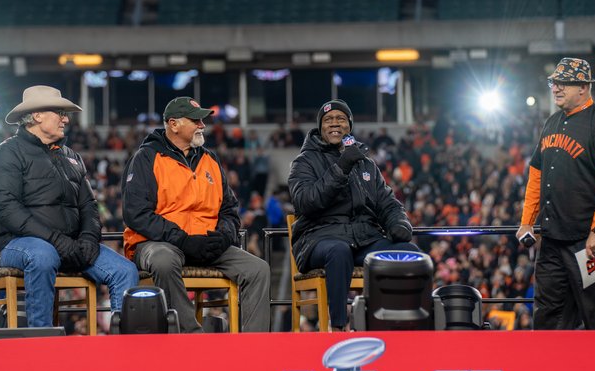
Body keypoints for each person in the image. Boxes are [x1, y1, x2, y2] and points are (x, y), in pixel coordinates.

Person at [0, 86, 138, 328]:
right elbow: (7, 209)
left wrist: (88, 238)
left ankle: (123, 350)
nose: (66, 119)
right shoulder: (6, 154)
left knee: (125, 271)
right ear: (37, 116)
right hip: (16, 243)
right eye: (59, 112)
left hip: (70, 245)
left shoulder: (72, 157)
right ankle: (41, 342)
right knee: (43, 255)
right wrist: (56, 240)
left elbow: (89, 206)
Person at [122, 97, 270, 333]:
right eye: (196, 120)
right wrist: (183, 240)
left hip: (206, 243)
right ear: (173, 124)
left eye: (202, 120)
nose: (202, 125)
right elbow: (136, 213)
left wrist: (222, 237)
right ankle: (190, 336)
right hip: (160, 243)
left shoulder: (210, 159)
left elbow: (229, 210)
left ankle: (253, 344)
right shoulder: (146, 157)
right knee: (163, 261)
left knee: (258, 269)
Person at [288, 99, 420, 331]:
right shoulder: (304, 161)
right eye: (328, 120)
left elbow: (387, 202)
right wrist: (342, 166)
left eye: (341, 119)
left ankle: (403, 323)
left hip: (362, 239)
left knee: (410, 254)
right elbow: (306, 202)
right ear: (320, 127)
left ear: (349, 125)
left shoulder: (366, 164)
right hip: (317, 239)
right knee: (339, 251)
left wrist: (399, 221)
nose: (334, 124)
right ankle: (338, 327)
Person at [516, 58, 595, 330]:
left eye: (564, 82)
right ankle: (550, 370)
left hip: (586, 241)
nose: (556, 88)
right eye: (555, 82)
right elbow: (536, 175)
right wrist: (527, 221)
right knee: (548, 313)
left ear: (584, 87)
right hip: (552, 239)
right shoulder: (551, 122)